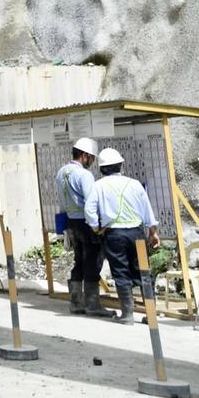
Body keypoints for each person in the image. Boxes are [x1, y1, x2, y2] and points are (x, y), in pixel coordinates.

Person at [85, 147, 160, 324]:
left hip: (114, 235)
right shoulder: (134, 184)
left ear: (102, 169)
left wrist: (97, 228)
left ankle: (127, 315)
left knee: (120, 272)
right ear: (120, 165)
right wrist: (153, 232)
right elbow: (147, 210)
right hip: (136, 234)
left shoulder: (98, 186)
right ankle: (150, 314)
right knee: (143, 272)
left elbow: (89, 210)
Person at [55, 136, 111, 317]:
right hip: (86, 223)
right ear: (85, 155)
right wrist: (99, 224)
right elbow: (91, 202)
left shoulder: (62, 172)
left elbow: (63, 202)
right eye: (92, 158)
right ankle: (93, 304)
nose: (93, 162)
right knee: (93, 260)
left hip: (71, 221)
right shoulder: (84, 175)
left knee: (79, 260)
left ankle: (76, 302)